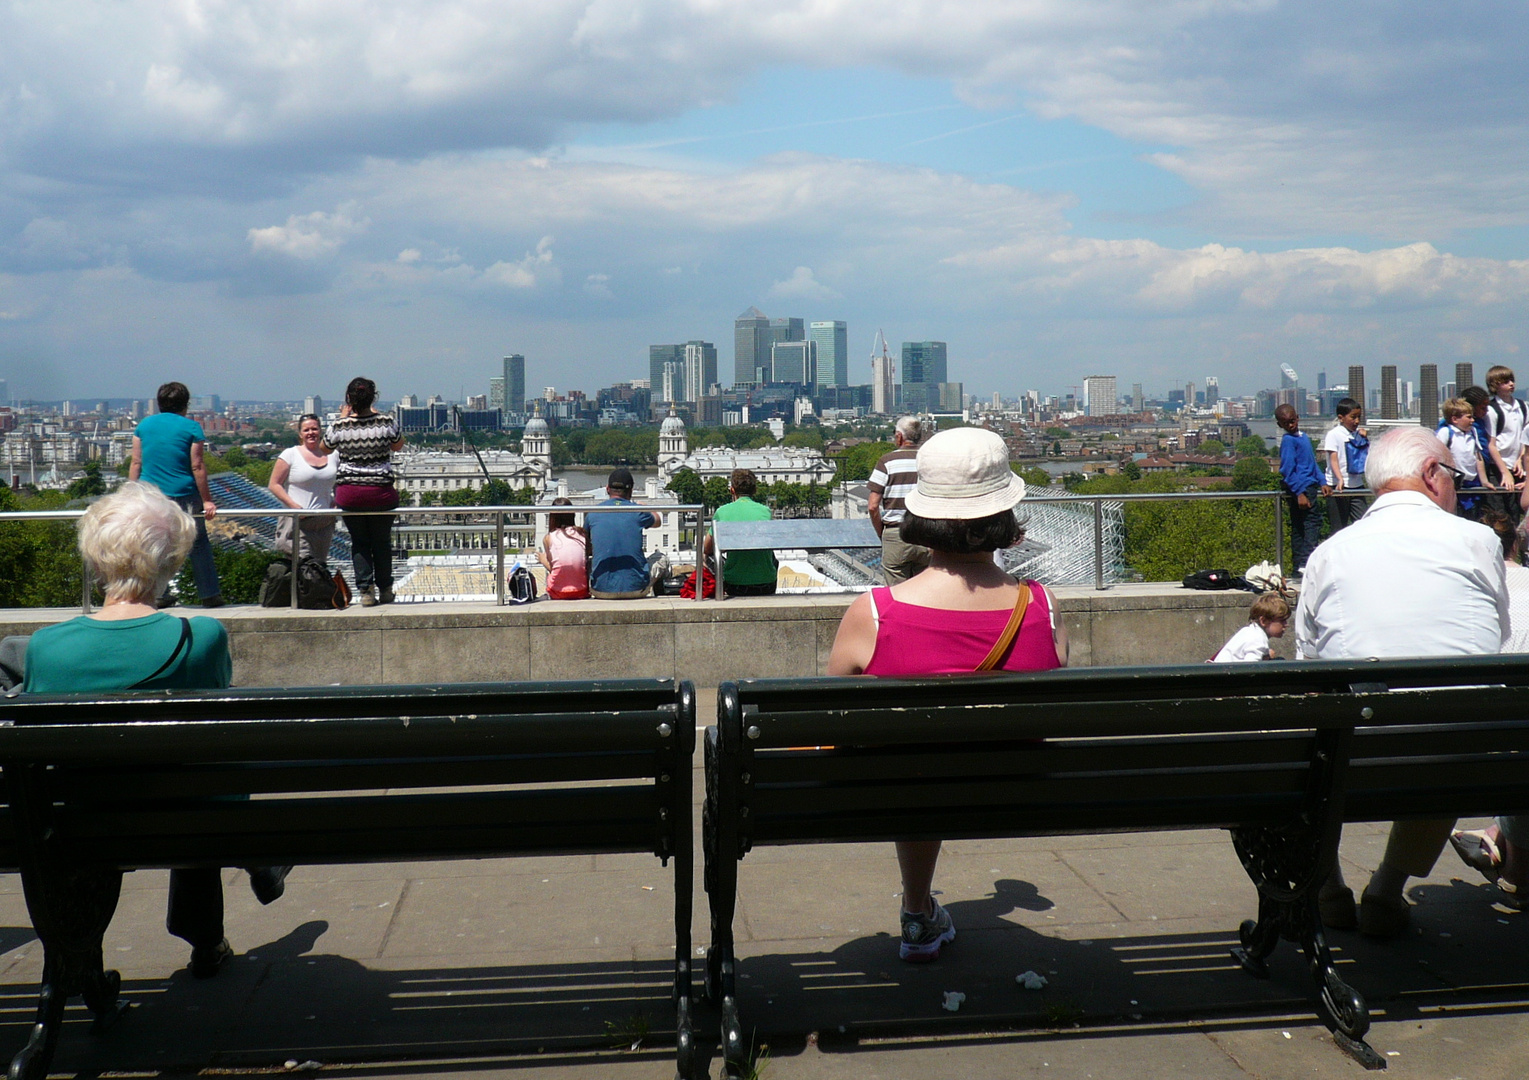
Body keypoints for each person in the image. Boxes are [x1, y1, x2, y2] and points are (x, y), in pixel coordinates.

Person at [21, 483, 287, 977]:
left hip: (84, 823)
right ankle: (209, 934)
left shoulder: (45, 648)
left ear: (97, 558)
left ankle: (85, 965)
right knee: (197, 775)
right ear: (171, 561)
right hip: (187, 819)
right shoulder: (202, 637)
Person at [827, 427, 1068, 962]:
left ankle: (917, 910)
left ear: (921, 516)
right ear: (1004, 520)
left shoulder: (872, 613)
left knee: (914, 763)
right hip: (1018, 790)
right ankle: (919, 909)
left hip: (905, 790)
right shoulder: (1043, 607)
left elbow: (831, 719)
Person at [1294, 426, 1508, 937]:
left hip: (1351, 756)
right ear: (1433, 475)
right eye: (1454, 476)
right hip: (1450, 757)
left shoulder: (1330, 553)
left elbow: (1306, 659)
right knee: (1451, 732)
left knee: (1299, 743)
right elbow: (1496, 636)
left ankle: (1326, 888)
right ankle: (1387, 891)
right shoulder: (1479, 541)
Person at [1445, 511, 1529, 905]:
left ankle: (1500, 845)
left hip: (1455, 747)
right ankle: (1508, 859)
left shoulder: (1452, 596)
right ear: (1515, 545)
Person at [129, 381, 222, 607]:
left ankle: (159, 594)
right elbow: (197, 466)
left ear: (159, 403)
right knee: (198, 543)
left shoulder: (143, 426)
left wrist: (130, 494)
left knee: (155, 544)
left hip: (150, 495)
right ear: (186, 404)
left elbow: (136, 462)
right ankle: (209, 594)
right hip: (184, 494)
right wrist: (207, 499)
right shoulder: (191, 428)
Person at [323, 378, 404, 606]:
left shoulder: (340, 426)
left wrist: (342, 418)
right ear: (373, 397)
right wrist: (375, 414)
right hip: (380, 493)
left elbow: (324, 447)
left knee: (359, 542)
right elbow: (398, 445)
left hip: (350, 494)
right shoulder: (387, 422)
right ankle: (386, 589)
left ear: (348, 399)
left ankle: (366, 591)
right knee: (381, 542)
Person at [867, 416, 930, 585]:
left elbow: (873, 506)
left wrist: (882, 532)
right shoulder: (930, 461)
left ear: (899, 436)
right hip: (926, 533)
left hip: (896, 533)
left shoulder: (887, 462)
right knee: (924, 592)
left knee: (897, 594)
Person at [268, 413, 338, 565]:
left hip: (324, 524)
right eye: (306, 430)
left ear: (321, 431)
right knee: (304, 568)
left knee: (319, 568)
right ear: (300, 434)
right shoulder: (290, 454)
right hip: (298, 523)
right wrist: (293, 506)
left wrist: (337, 501)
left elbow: (341, 481)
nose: (311, 433)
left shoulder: (333, 455)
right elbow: (274, 484)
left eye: (314, 429)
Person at [587, 468, 665, 599]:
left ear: (607, 489)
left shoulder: (593, 513)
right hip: (636, 588)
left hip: (600, 590)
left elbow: (587, 544)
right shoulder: (637, 511)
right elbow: (657, 521)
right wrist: (644, 506)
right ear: (631, 491)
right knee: (662, 558)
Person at [1275, 404, 1330, 577]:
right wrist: (1299, 492)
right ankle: (1305, 562)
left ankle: (1299, 566)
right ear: (1280, 425)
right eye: (1286, 423)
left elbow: (1312, 464)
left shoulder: (1303, 438)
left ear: (1297, 418)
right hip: (1301, 488)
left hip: (1310, 485)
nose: (1291, 425)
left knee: (1301, 526)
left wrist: (1323, 482)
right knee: (1311, 524)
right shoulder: (1288, 441)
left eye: (1292, 420)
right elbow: (1287, 470)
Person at [703, 468, 777, 597]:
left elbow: (707, 548)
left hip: (735, 585)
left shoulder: (722, 512)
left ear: (732, 490)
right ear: (754, 490)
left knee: (705, 556)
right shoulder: (765, 511)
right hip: (766, 584)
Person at [1437, 397, 1491, 519]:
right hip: (1455, 483)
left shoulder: (1473, 432)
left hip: (1472, 482)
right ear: (1455, 419)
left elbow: (1478, 456)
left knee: (1474, 516)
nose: (1472, 420)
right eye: (1468, 417)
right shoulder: (1446, 432)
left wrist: (1484, 480)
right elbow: (1437, 457)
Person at [1484, 365, 1527, 515]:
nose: (1511, 384)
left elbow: (1525, 437)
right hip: (1497, 467)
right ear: (1495, 385)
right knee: (1500, 513)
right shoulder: (1492, 410)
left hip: (1517, 467)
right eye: (1506, 381)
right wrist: (1504, 472)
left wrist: (1521, 459)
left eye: (1512, 380)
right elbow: (1492, 444)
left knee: (1516, 510)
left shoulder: (1522, 406)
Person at [1322, 398, 1369, 531]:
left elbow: (1363, 455)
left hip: (1356, 484)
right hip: (1338, 486)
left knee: (1363, 523)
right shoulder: (1334, 435)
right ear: (1341, 418)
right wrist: (1340, 478)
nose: (1357, 421)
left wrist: (1364, 438)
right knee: (1338, 526)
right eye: (1353, 417)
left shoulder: (1358, 434)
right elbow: (1333, 459)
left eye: (1359, 417)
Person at [537, 497, 589, 600]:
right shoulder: (582, 534)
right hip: (582, 590)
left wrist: (543, 560)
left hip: (557, 592)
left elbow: (556, 568)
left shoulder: (549, 538)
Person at [1212, 593, 1289, 662]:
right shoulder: (1258, 639)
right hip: (1225, 676)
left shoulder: (1249, 630)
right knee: (1280, 662)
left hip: (1222, 671)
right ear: (1264, 621)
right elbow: (1251, 669)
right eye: (1282, 621)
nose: (1286, 624)